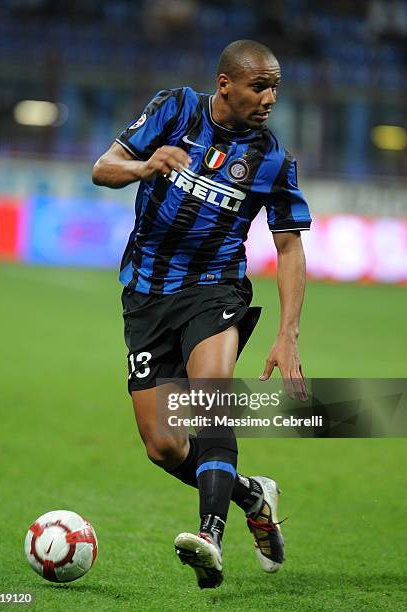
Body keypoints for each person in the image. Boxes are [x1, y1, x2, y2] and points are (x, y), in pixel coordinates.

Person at [92, 39, 311, 589]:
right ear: (225, 84)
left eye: (275, 87)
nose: (269, 98)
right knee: (163, 446)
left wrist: (287, 335)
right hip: (144, 295)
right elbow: (103, 168)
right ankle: (251, 495)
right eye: (259, 86)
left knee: (211, 395)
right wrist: (146, 165)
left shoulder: (274, 160)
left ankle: (210, 534)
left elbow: (288, 247)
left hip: (215, 290)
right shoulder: (174, 109)